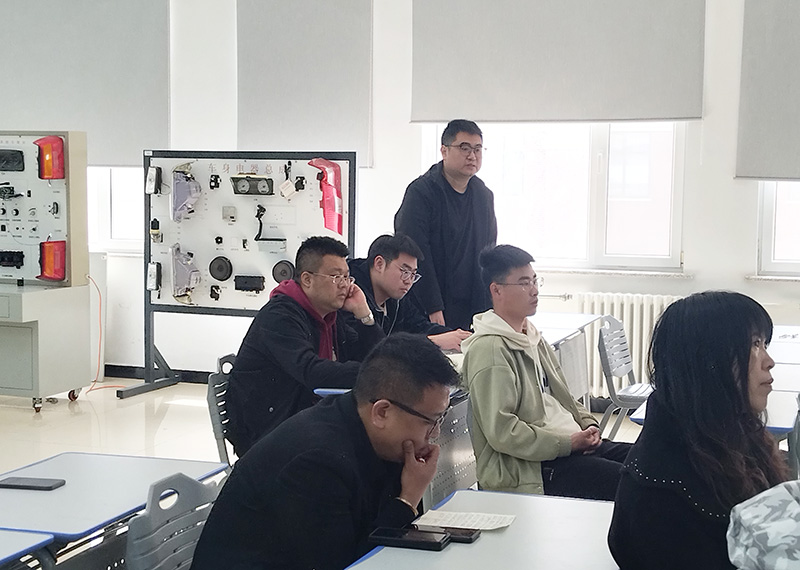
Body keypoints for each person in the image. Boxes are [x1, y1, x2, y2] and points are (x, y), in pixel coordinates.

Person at [190, 333, 460, 570]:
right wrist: (407, 499)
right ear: (382, 412)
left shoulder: (363, 427)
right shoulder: (317, 462)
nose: (435, 433)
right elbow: (349, 564)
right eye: (430, 421)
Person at [608, 291, 788, 569]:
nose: (768, 360)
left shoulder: (724, 435)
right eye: (754, 344)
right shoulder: (663, 495)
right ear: (710, 361)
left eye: (764, 344)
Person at [461, 244, 632, 500]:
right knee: (631, 483)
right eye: (523, 283)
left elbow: (565, 399)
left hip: (566, 447)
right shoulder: (491, 349)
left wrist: (588, 424)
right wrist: (569, 444)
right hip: (531, 469)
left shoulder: (532, 337)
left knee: (649, 460)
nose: (534, 290)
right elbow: (503, 433)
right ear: (496, 290)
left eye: (534, 280)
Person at [225, 236, 384, 457]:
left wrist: (364, 314)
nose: (344, 285)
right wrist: (378, 375)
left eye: (347, 277)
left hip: (305, 418)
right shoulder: (280, 316)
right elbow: (311, 371)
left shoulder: (329, 315)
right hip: (268, 431)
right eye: (335, 276)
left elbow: (371, 356)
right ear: (307, 279)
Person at [394, 119, 497, 330]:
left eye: (477, 149)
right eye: (464, 148)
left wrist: (490, 308)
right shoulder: (421, 192)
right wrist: (432, 305)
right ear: (444, 151)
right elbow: (414, 251)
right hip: (431, 303)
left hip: (473, 303)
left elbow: (489, 253)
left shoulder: (483, 195)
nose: (472, 155)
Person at [347, 233, 472, 352]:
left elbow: (420, 326)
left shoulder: (397, 298)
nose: (408, 281)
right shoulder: (350, 295)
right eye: (405, 272)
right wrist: (432, 341)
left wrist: (456, 335)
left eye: (413, 275)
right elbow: (369, 350)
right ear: (379, 264)